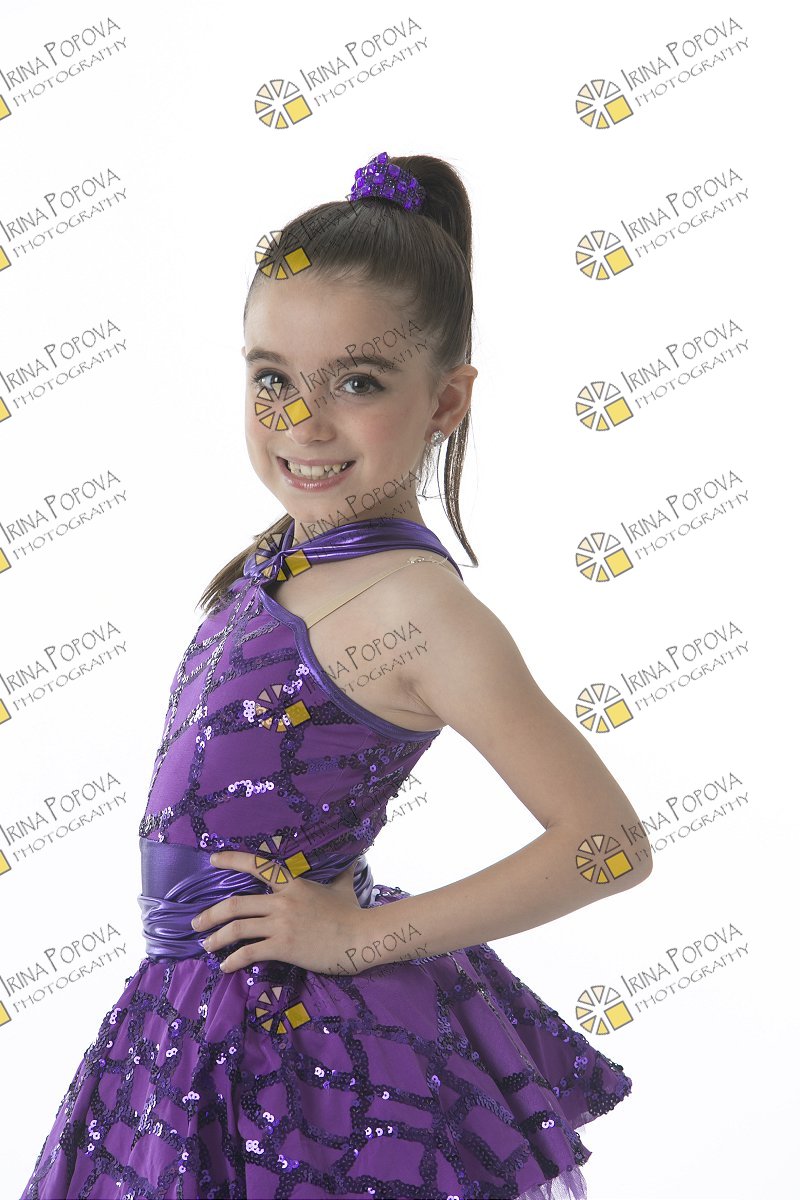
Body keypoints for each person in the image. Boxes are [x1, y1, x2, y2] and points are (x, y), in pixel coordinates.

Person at [21, 151, 650, 1200]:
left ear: (445, 400)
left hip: (302, 1058)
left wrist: (357, 937)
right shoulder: (286, 559)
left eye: (357, 383)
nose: (303, 423)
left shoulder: (418, 610)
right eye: (273, 379)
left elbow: (606, 846)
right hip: (188, 1028)